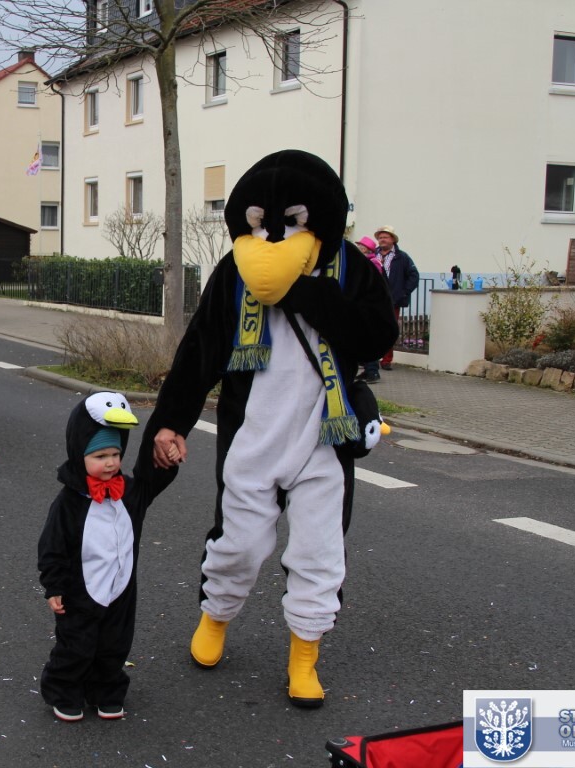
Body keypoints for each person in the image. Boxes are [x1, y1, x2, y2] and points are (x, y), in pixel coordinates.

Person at [148, 150, 397, 709]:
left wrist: (307, 294)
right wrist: (171, 422)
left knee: (319, 551)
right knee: (239, 543)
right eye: (263, 224)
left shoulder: (351, 269)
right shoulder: (235, 271)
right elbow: (202, 348)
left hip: (323, 437)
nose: (275, 238)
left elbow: (377, 335)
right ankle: (216, 616)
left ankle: (304, 655)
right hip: (252, 435)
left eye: (292, 224)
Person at [39, 392, 178, 722]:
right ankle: (64, 690)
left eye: (115, 454)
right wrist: (54, 586)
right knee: (76, 644)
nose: (111, 462)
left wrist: (168, 460)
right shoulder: (69, 502)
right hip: (79, 590)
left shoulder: (129, 493)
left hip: (120, 590)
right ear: (80, 455)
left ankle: (106, 691)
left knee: (115, 645)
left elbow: (153, 480)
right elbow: (52, 546)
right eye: (100, 456)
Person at [372, 226, 418, 372]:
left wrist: (403, 293)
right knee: (371, 328)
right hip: (372, 298)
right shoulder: (373, 255)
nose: (382, 240)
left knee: (388, 330)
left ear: (392, 239)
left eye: (385, 237)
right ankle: (370, 360)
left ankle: (386, 360)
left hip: (392, 300)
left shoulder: (402, 257)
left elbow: (414, 276)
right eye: (380, 238)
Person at [355, 235, 385, 382]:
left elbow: (371, 282)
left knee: (368, 338)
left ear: (366, 249)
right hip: (363, 303)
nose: (358, 248)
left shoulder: (373, 263)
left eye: (360, 246)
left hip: (369, 305)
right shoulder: (365, 262)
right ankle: (368, 370)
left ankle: (372, 371)